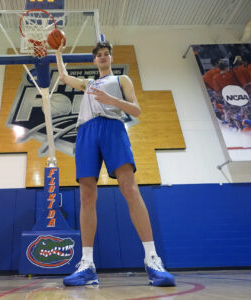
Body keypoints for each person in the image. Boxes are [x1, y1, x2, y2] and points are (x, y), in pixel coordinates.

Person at [55, 40, 175, 287]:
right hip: (87, 131)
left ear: (111, 58)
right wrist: (57, 51)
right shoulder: (88, 84)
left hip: (113, 127)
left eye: (106, 54)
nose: (102, 57)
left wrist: (112, 100)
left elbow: (137, 110)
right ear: (94, 60)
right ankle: (87, 265)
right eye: (98, 54)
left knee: (129, 188)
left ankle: (152, 259)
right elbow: (65, 77)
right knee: (87, 195)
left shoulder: (122, 80)